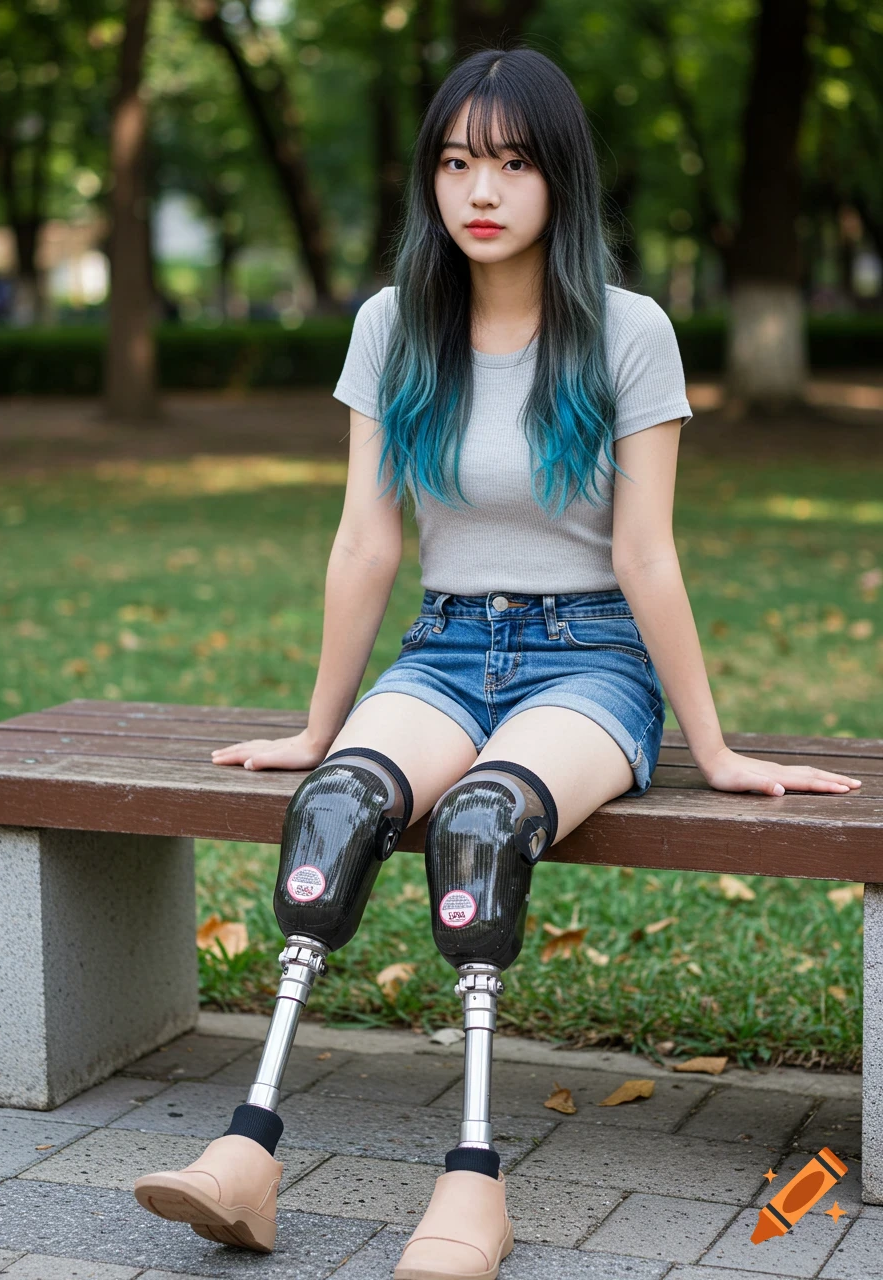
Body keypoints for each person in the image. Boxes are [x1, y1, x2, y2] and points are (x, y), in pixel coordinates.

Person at [132, 44, 862, 1277]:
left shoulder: (626, 331)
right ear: (429, 176)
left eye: (514, 163)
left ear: (559, 179)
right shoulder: (392, 326)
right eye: (458, 161)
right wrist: (318, 725)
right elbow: (365, 540)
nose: (480, 189)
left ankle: (473, 1182)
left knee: (478, 823)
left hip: (588, 661)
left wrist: (716, 746)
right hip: (443, 648)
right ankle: (245, 1151)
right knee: (335, 806)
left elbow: (646, 553)